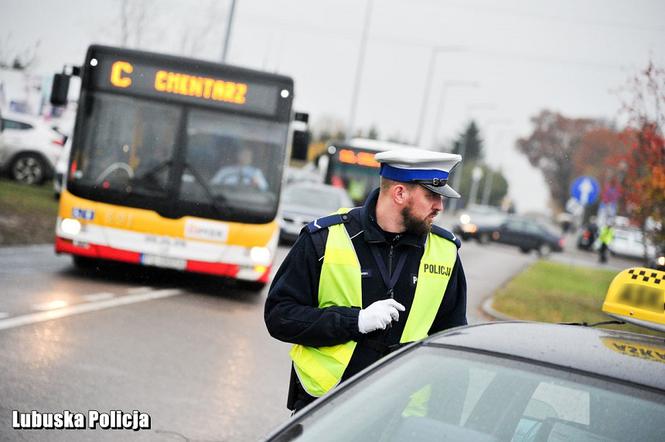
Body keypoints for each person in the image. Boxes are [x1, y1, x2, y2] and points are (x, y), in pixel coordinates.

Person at [264, 147, 467, 413]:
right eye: (431, 196)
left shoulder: (445, 252)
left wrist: (447, 426)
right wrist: (354, 321)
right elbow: (280, 316)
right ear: (399, 193)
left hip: (400, 416)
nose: (439, 206)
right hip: (324, 408)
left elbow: (452, 347)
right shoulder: (323, 239)